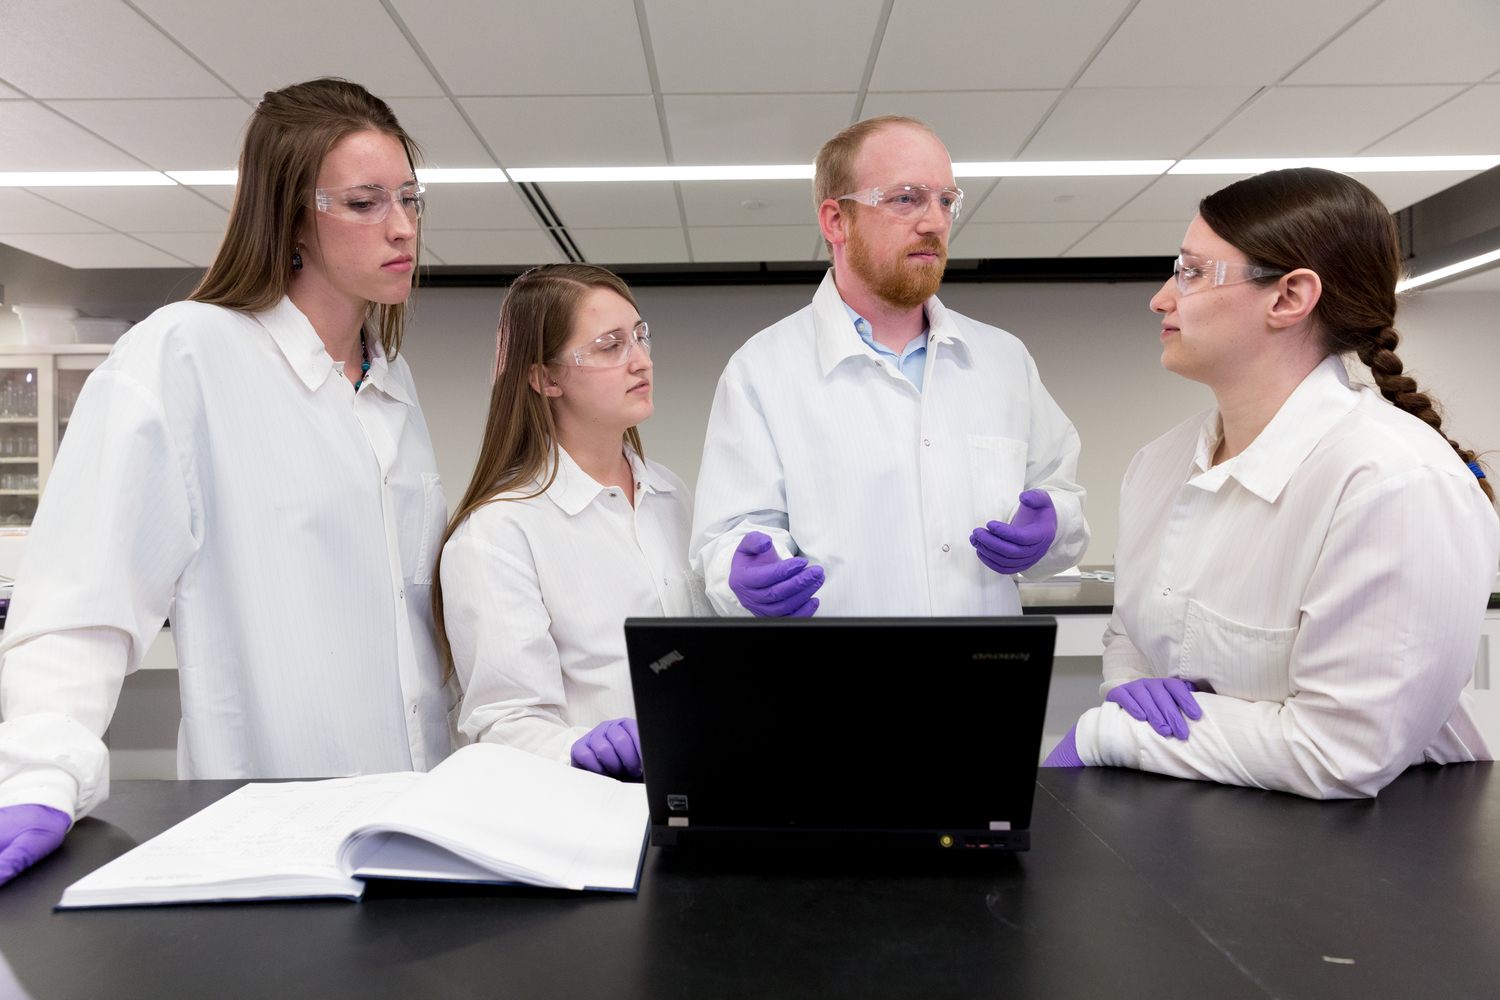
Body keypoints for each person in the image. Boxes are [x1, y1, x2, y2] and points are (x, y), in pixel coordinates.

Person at [0, 78, 454, 886]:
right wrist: (39, 771)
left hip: (416, 823)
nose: (401, 226)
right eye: (365, 203)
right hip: (270, 840)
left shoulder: (391, 383)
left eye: (410, 199)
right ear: (292, 218)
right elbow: (83, 596)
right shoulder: (185, 355)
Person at [1043, 167, 1500, 799]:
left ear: (1288, 298)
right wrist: (1130, 688)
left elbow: (1342, 752)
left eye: (1192, 272)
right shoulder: (1158, 464)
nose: (1161, 298)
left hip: (1371, 842)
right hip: (1197, 818)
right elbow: (1132, 635)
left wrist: (1112, 732)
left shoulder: (1394, 482)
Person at [691, 116, 1088, 618]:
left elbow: (1059, 494)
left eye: (946, 200)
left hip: (982, 665)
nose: (935, 222)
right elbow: (731, 536)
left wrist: (1054, 524)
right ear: (836, 221)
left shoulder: (1004, 360)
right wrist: (744, 572)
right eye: (906, 198)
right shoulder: (761, 371)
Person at [434, 264, 702, 780]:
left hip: (691, 789)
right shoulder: (498, 532)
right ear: (546, 378)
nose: (641, 361)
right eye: (610, 346)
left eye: (640, 336)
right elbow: (506, 724)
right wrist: (577, 747)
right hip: (586, 805)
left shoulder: (670, 495)